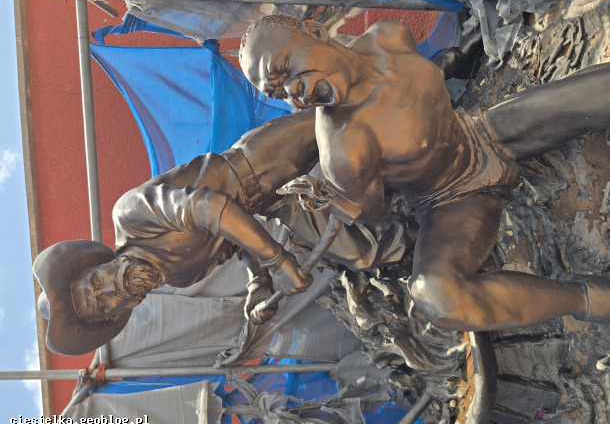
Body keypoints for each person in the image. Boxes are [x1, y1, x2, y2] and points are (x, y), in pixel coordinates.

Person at [239, 15, 610, 331]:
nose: (295, 92)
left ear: (315, 31)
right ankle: (592, 297)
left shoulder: (387, 35)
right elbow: (376, 212)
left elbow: (434, 77)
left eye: (285, 68)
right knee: (438, 298)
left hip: (485, 133)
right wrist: (339, 199)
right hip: (451, 202)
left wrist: (466, 51)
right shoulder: (343, 149)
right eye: (279, 92)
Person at [34, 109, 414, 356]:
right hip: (278, 202)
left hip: (261, 161)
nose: (110, 289)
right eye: (103, 305)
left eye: (95, 282)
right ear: (118, 314)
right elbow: (235, 242)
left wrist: (277, 261)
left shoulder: (131, 216)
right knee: (363, 254)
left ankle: (438, 76)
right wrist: (258, 281)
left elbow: (209, 208)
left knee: (362, 123)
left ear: (96, 265)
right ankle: (429, 220)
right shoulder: (179, 278)